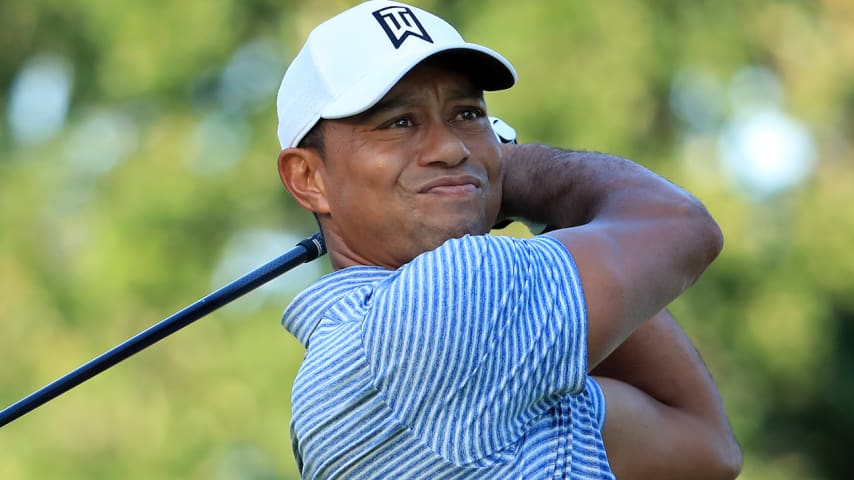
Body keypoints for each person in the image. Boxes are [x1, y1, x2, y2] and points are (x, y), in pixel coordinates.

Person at [274, 1, 742, 478]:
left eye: (466, 114)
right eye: (399, 123)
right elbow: (681, 223)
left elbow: (704, 448)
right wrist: (514, 175)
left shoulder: (340, 374)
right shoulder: (437, 308)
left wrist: (481, 182)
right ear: (308, 177)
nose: (451, 148)